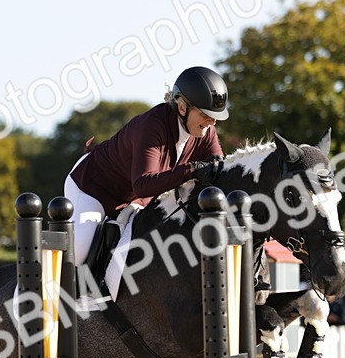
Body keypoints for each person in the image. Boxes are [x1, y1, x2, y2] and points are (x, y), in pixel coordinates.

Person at [65, 66, 229, 265]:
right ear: (183, 107)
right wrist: (192, 170)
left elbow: (219, 170)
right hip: (94, 187)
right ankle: (33, 289)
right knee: (80, 250)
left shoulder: (206, 132)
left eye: (215, 118)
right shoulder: (153, 125)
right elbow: (143, 184)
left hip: (136, 200)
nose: (211, 122)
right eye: (205, 114)